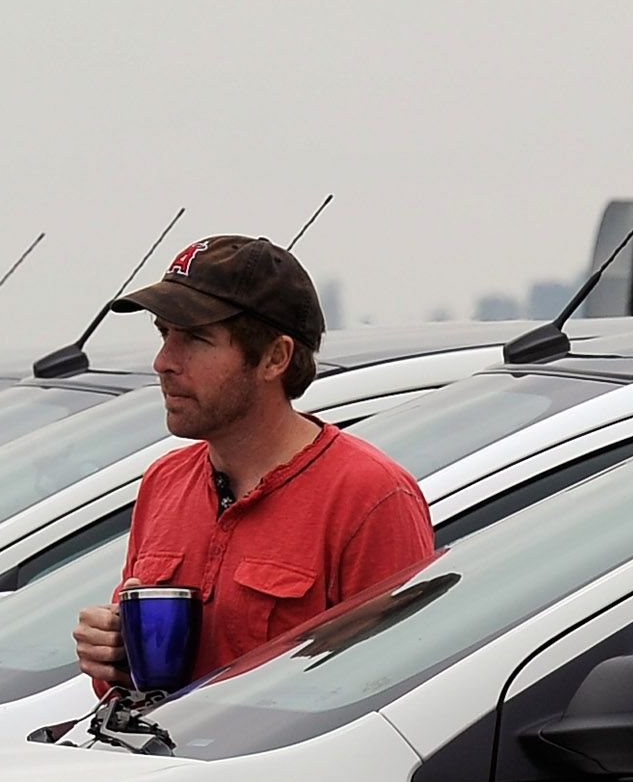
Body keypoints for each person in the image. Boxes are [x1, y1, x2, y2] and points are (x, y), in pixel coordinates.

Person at [73, 234, 434, 693]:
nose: (163, 362)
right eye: (165, 334)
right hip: (158, 760)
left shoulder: (368, 497)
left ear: (275, 358)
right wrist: (112, 655)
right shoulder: (165, 482)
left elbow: (393, 692)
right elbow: (141, 684)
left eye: (196, 339)